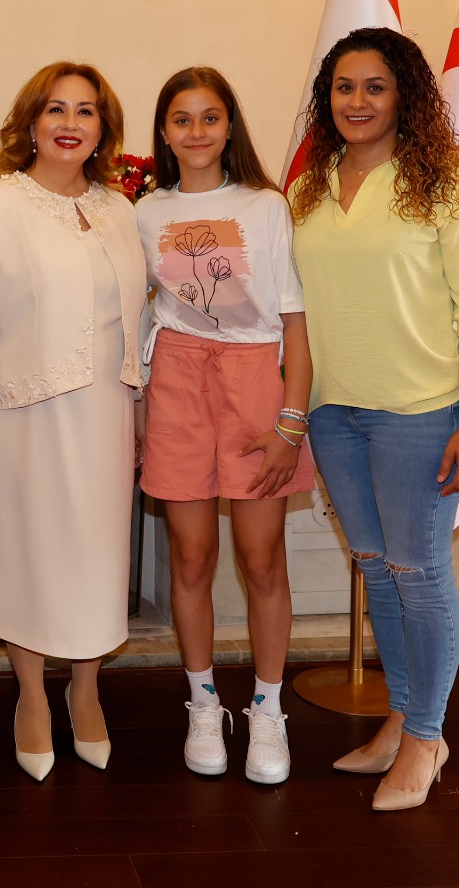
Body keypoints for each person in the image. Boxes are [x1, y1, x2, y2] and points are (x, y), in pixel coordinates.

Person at [290, 26, 459, 811]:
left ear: (404, 95)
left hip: (420, 414)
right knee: (377, 569)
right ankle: (403, 717)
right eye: (344, 87)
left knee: (420, 574)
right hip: (334, 414)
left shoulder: (450, 187)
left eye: (375, 87)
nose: (357, 102)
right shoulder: (309, 188)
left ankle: (426, 738)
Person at [0, 62, 146, 782]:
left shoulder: (122, 210)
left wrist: (143, 417)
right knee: (28, 558)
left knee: (98, 560)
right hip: (22, 418)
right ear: (30, 123)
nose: (70, 123)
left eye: (85, 111)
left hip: (107, 415)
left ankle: (85, 691)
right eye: (55, 109)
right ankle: (31, 695)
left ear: (102, 128)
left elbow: (137, 324)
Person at [135, 67, 314, 786]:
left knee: (262, 558)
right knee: (190, 557)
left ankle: (267, 709)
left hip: (254, 380)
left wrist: (291, 421)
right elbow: (136, 314)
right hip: (178, 382)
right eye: (182, 119)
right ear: (164, 131)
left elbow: (296, 321)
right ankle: (203, 704)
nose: (197, 131)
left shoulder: (266, 206)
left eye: (211, 117)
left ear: (230, 126)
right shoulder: (144, 212)